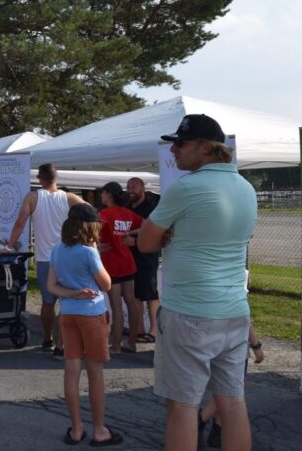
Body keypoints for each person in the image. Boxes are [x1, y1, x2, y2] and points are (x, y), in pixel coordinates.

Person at [137, 114, 257, 451]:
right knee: (232, 402)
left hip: (190, 313)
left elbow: (145, 243)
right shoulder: (246, 188)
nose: (173, 149)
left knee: (181, 406)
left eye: (181, 143)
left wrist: (168, 236)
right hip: (234, 311)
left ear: (205, 149)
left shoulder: (187, 188)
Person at [46, 203, 121, 446]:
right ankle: (99, 430)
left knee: (71, 372)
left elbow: (51, 286)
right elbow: (106, 284)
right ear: (90, 227)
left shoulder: (57, 249)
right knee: (95, 373)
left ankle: (76, 429)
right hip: (92, 314)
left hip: (68, 314)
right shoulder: (89, 252)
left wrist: (72, 293)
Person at [7, 164, 85, 359]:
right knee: (67, 301)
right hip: (67, 257)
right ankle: (62, 344)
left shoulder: (32, 197)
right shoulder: (68, 197)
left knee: (48, 303)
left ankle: (48, 338)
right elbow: (90, 212)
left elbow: (20, 222)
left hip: (45, 258)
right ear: (56, 179)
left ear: (41, 179)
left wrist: (9, 245)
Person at [96, 182, 143, 356]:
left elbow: (93, 230)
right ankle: (132, 342)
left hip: (112, 265)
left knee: (116, 306)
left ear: (108, 194)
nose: (101, 196)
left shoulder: (105, 213)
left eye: (102, 193)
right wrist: (131, 234)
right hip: (127, 262)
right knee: (131, 302)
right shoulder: (127, 213)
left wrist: (98, 245)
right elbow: (146, 224)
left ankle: (116, 346)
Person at [123, 177, 160, 343]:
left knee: (150, 295)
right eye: (128, 187)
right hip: (130, 258)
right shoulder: (126, 208)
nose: (130, 190)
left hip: (147, 258)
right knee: (135, 295)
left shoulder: (151, 209)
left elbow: (154, 231)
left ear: (143, 189)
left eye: (134, 187)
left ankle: (154, 331)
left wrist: (134, 238)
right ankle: (138, 329)